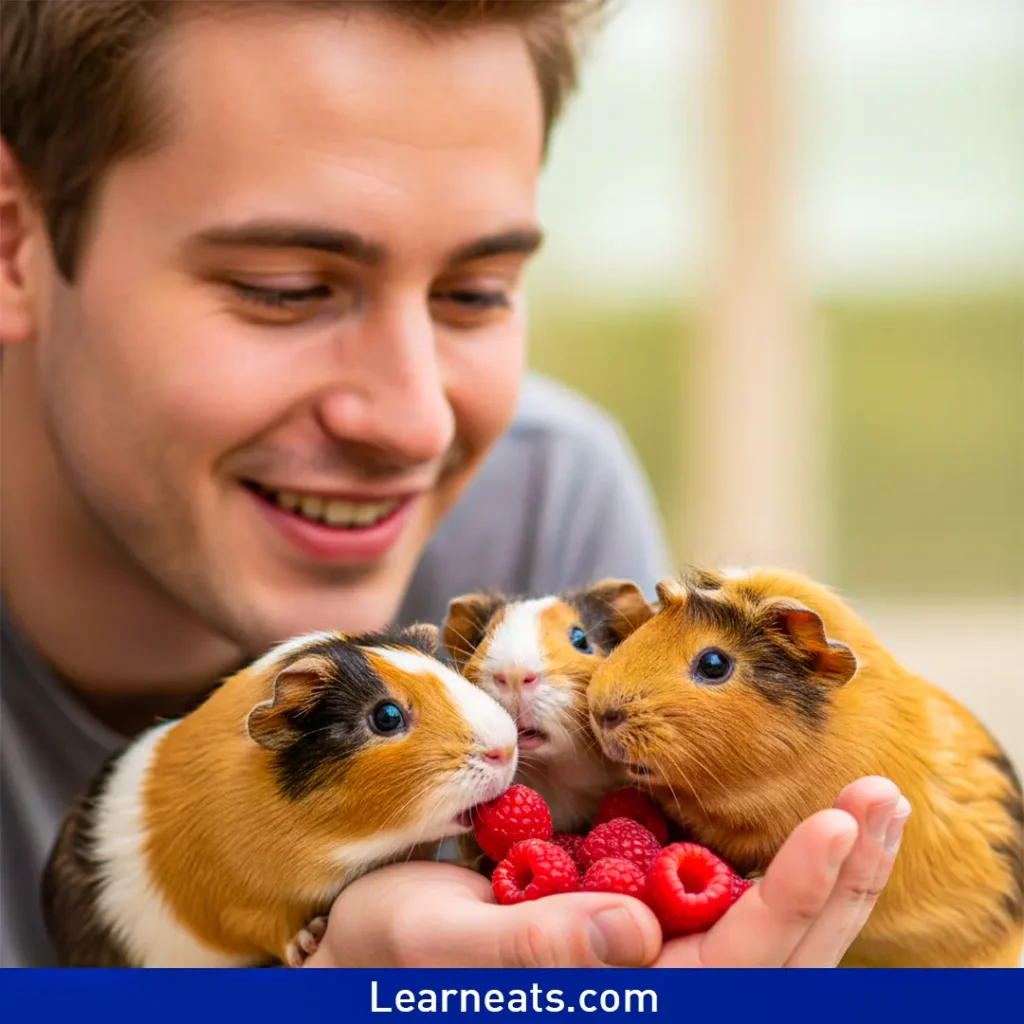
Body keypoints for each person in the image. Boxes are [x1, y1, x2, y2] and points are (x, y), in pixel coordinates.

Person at [0, 0, 909, 969]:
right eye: (284, 287)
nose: (416, 422)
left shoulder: (545, 501)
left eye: (474, 294)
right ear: (17, 245)